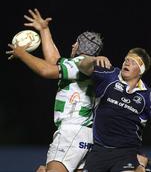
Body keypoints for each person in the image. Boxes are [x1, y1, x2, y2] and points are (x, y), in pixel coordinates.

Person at [6, 9, 111, 172]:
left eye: (75, 43)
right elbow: (54, 60)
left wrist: (22, 53)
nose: (72, 45)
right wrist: (44, 30)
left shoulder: (79, 63)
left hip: (71, 131)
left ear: (79, 47)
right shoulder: (80, 66)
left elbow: (47, 70)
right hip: (84, 134)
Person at [78, 47, 151, 172]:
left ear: (141, 70)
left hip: (127, 152)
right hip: (99, 151)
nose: (127, 63)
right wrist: (93, 59)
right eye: (126, 60)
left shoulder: (147, 96)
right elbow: (81, 66)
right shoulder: (109, 76)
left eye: (133, 62)